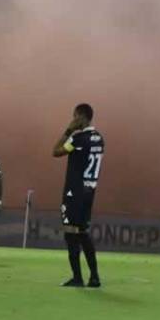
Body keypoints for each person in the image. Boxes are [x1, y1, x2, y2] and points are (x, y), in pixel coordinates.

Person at [51, 103, 105, 288]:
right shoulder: (99, 138)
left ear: (81, 117)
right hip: (89, 190)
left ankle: (77, 278)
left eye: (75, 116)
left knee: (70, 233)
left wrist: (68, 130)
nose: (73, 120)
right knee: (83, 232)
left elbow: (56, 151)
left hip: (74, 191)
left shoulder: (77, 138)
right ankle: (95, 277)